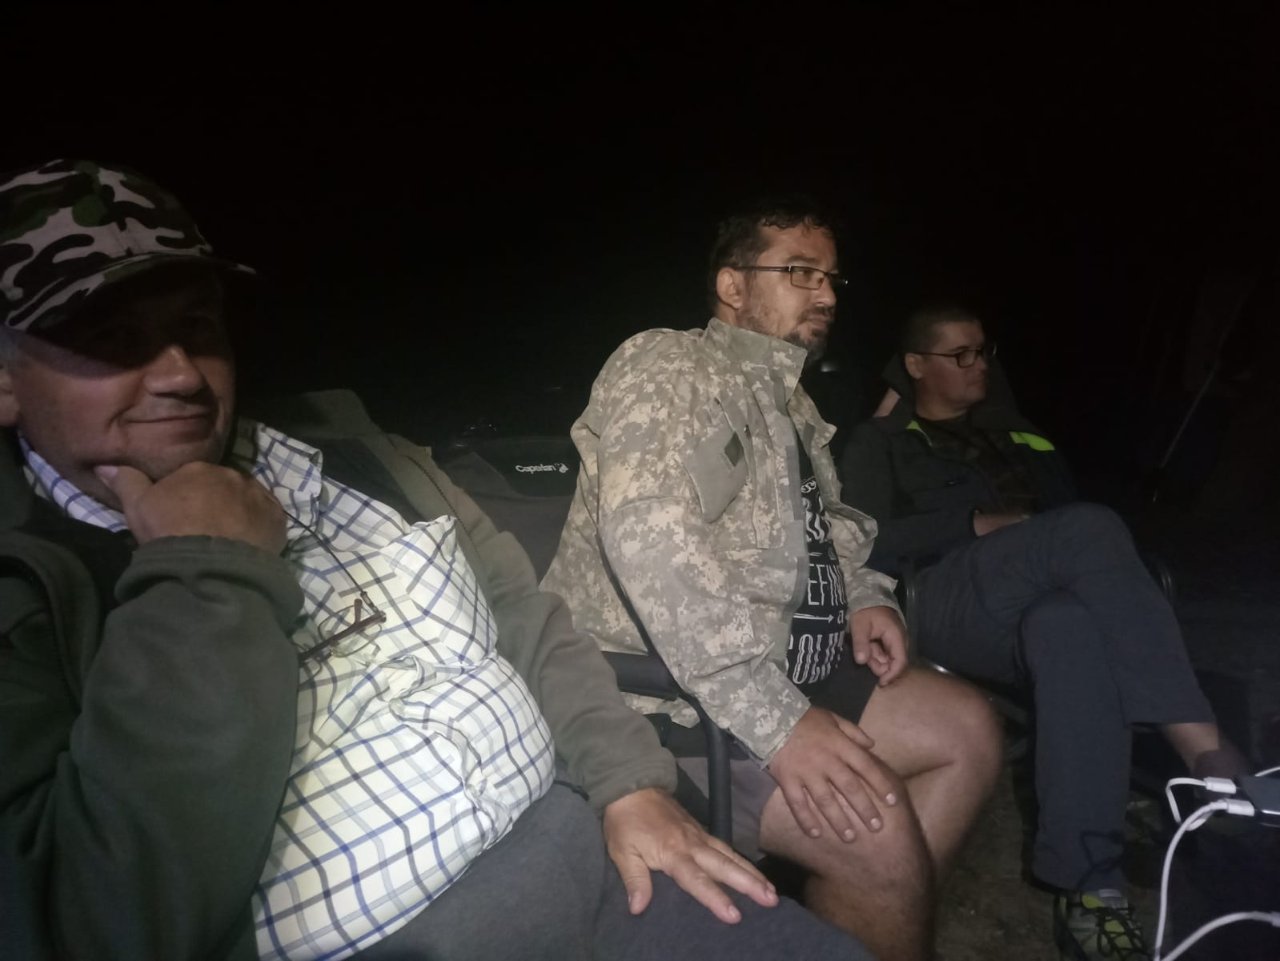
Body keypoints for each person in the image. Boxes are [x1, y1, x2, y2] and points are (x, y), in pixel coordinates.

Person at [0, 159, 874, 961]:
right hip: (413, 936)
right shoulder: (30, 586)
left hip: (598, 859)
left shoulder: (359, 458)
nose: (181, 374)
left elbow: (528, 619)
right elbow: (93, 917)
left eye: (197, 326)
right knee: (875, 825)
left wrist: (628, 782)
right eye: (109, 336)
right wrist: (205, 572)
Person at [543, 198, 1003, 961]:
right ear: (733, 285)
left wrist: (866, 597)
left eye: (830, 278)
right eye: (799, 272)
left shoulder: (792, 402)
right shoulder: (668, 364)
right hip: (671, 696)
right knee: (874, 824)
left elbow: (833, 528)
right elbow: (653, 545)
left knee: (968, 730)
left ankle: (857, 923)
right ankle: (874, 889)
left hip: (790, 663)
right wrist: (780, 721)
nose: (825, 294)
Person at [838, 304, 1250, 961]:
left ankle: (1089, 887)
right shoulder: (880, 441)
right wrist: (974, 522)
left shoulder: (1023, 436)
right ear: (915, 364)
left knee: (1069, 627)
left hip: (1032, 597)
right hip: (940, 594)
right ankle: (1201, 746)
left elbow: (1077, 540)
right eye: (960, 354)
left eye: (984, 351)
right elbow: (861, 538)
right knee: (1090, 525)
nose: (979, 364)